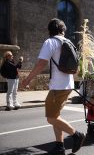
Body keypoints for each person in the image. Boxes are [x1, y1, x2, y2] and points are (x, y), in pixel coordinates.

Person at [21, 18, 85, 155]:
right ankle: (59, 145)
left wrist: (27, 80)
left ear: (49, 30)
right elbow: (76, 68)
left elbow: (41, 63)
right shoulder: (68, 42)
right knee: (56, 115)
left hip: (58, 86)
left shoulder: (50, 42)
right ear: (62, 30)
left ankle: (76, 135)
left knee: (51, 118)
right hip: (67, 84)